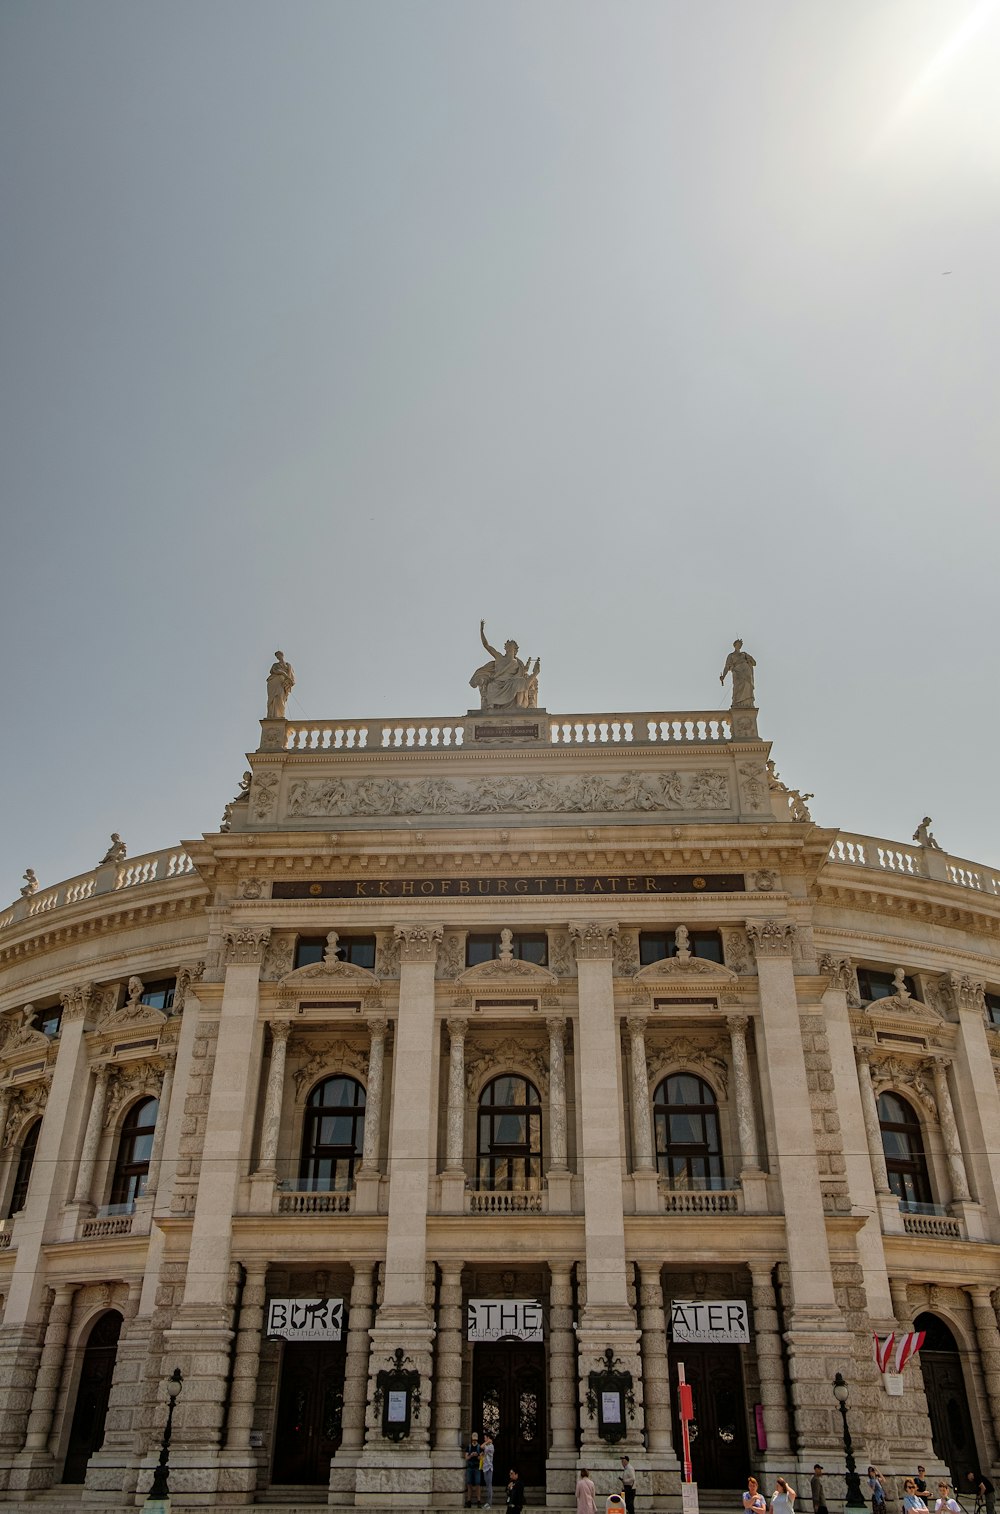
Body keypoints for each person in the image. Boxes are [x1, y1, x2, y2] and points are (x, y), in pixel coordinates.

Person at [470, 621, 540, 710]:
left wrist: (533, 672)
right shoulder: (499, 657)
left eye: (511, 645)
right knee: (491, 686)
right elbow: (486, 645)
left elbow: (522, 673)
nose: (508, 647)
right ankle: (491, 705)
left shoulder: (518, 662)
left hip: (512, 681)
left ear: (515, 649)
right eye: (507, 645)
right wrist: (481, 630)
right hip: (498, 681)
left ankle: (519, 705)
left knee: (520, 682)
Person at [720, 638, 757, 708]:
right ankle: (737, 703)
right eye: (738, 644)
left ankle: (748, 703)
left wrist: (750, 659)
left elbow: (754, 663)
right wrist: (723, 677)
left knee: (747, 685)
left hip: (746, 670)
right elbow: (727, 667)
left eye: (741, 644)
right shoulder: (731, 655)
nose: (740, 646)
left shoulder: (744, 654)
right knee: (737, 687)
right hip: (737, 671)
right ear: (735, 645)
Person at [265, 650, 295, 719]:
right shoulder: (275, 665)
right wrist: (282, 672)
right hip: (273, 682)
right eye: (276, 656)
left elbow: (290, 676)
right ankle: (272, 715)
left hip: (282, 684)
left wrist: (287, 679)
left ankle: (279, 715)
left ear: (282, 655)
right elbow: (272, 671)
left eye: (278, 655)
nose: (278, 657)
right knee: (272, 698)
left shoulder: (288, 665)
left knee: (280, 697)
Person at [464, 1431, 482, 1507]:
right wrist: (471, 1455)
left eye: (475, 1440)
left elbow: (481, 1457)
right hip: (470, 1467)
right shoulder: (469, 1447)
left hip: (477, 1467)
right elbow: (466, 1458)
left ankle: (478, 1501)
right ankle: (469, 1501)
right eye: (473, 1440)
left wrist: (477, 1455)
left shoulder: (479, 1447)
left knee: (478, 1484)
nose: (474, 1441)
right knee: (469, 1484)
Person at [481, 1431, 494, 1509]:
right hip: (485, 1468)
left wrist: (488, 1442)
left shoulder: (491, 1446)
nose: (484, 1439)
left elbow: (481, 1446)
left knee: (489, 1486)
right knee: (487, 1485)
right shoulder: (488, 1445)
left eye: (485, 1438)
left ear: (488, 1438)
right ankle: (488, 1503)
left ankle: (489, 1503)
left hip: (489, 1468)